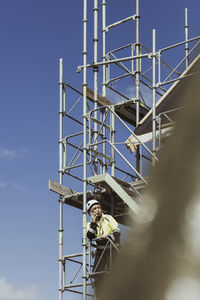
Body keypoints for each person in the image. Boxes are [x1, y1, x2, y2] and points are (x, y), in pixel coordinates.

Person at [86, 199, 120, 299]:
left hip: (112, 249)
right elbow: (90, 236)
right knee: (97, 274)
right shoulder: (90, 224)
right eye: (94, 209)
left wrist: (108, 236)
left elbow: (117, 232)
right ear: (90, 212)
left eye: (98, 208)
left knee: (113, 273)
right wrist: (94, 222)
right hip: (100, 250)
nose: (97, 210)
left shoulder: (108, 218)